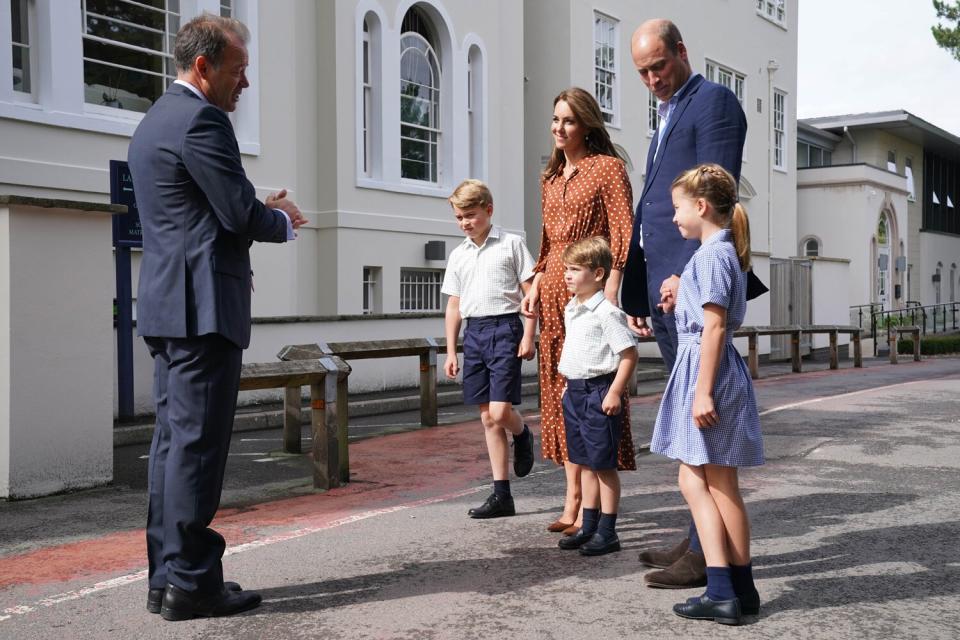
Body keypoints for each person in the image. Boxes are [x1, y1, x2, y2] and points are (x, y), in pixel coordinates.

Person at [128, 13, 306, 621]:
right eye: (239, 71)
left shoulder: (156, 119)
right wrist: (280, 220)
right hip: (202, 310)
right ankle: (192, 583)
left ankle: (167, 578)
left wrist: (256, 202)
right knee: (197, 450)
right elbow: (234, 213)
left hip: (168, 306)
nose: (245, 85)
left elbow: (202, 206)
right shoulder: (203, 119)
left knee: (173, 447)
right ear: (203, 67)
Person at [620, 18, 760, 589]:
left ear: (682, 51)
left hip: (690, 284)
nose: (652, 78)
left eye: (659, 65)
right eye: (643, 72)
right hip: (664, 282)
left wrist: (682, 272)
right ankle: (700, 538)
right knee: (687, 432)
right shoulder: (666, 111)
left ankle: (711, 559)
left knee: (701, 428)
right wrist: (637, 286)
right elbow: (654, 204)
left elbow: (712, 189)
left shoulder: (714, 102)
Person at [520, 87, 636, 535]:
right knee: (560, 398)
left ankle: (593, 508)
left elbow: (622, 233)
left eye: (568, 120)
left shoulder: (607, 169)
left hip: (590, 294)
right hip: (552, 295)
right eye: (555, 120)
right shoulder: (549, 178)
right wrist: (532, 287)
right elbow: (548, 245)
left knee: (594, 389)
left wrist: (611, 291)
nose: (559, 128)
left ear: (587, 124)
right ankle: (571, 498)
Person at [653, 164, 764, 624]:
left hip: (708, 373)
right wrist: (681, 296)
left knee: (701, 481)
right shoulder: (717, 254)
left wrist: (703, 393)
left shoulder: (712, 256)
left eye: (677, 207)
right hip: (709, 368)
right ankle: (741, 589)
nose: (673, 216)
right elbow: (708, 316)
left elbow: (715, 324)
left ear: (701, 206)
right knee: (719, 485)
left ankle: (721, 589)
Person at [441, 179, 538, 519]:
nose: (466, 223)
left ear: (488, 209)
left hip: (506, 328)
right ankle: (502, 495)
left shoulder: (511, 244)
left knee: (500, 412)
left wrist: (529, 335)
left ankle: (523, 434)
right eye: (459, 217)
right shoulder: (458, 255)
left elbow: (530, 294)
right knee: (487, 418)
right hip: (475, 333)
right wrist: (452, 351)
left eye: (471, 215)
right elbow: (454, 305)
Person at [555, 237, 638, 556]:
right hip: (575, 392)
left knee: (603, 465)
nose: (568, 275)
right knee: (584, 462)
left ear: (599, 274)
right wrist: (567, 385)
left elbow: (629, 355)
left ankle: (608, 530)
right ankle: (587, 526)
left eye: (575, 269)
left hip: (600, 393)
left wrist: (615, 391)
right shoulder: (572, 307)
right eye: (567, 269)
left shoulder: (607, 313)